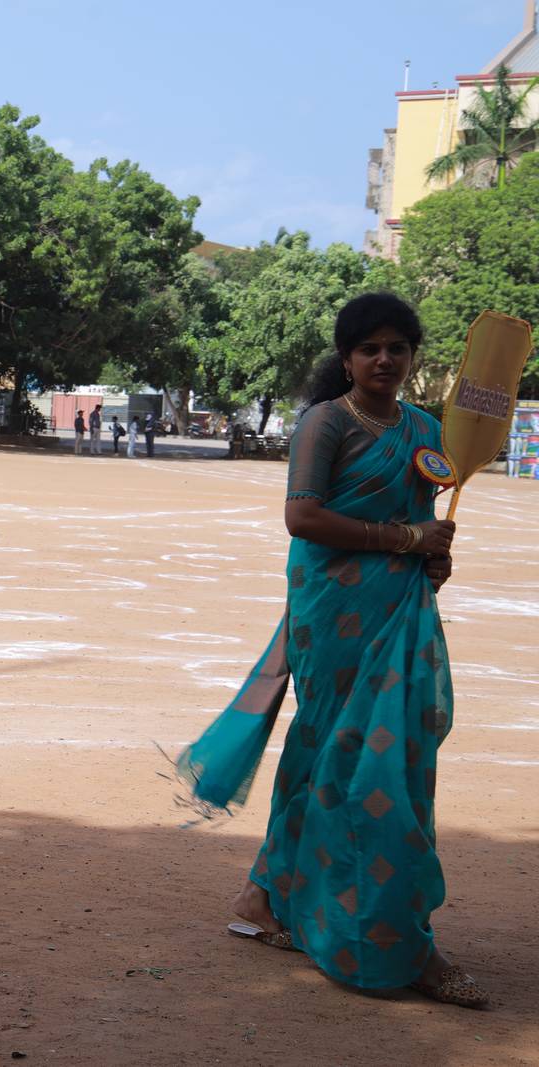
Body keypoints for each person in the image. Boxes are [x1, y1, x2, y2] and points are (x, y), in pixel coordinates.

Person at [174, 293, 482, 1007]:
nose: (384, 359)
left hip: (399, 613)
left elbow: (421, 518)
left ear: (412, 357)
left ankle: (264, 896)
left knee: (389, 756)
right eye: (369, 347)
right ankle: (390, 937)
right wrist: (406, 540)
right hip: (332, 611)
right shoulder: (326, 422)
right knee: (346, 755)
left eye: (397, 348)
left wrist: (433, 555)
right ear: (346, 358)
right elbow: (302, 516)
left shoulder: (426, 429)